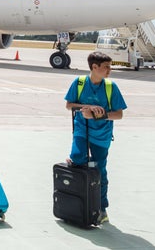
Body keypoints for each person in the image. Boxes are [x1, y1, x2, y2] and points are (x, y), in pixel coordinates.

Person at [64, 51, 126, 224]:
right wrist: (87, 108)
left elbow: (119, 115)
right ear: (94, 67)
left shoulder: (110, 87)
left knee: (99, 171)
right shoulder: (79, 83)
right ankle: (77, 200)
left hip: (102, 135)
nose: (109, 70)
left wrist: (99, 115)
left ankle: (101, 207)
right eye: (106, 67)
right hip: (81, 130)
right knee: (77, 158)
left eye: (109, 67)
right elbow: (69, 105)